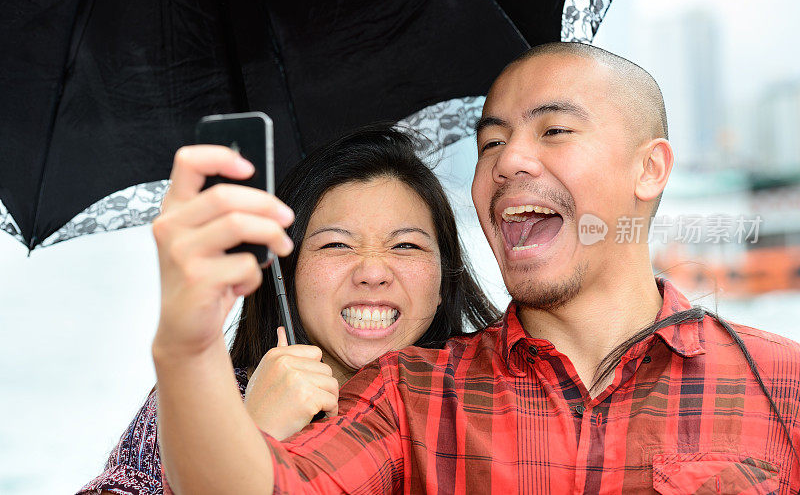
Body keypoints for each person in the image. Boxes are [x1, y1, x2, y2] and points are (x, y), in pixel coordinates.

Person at [154, 43, 800, 494]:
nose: (509, 160)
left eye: (553, 131)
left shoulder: (783, 385)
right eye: (491, 141)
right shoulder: (405, 394)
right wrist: (188, 346)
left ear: (650, 168)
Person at [78, 126, 498, 494]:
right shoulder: (199, 404)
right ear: (288, 272)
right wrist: (248, 437)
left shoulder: (490, 408)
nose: (373, 271)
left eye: (405, 245)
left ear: (444, 280)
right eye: (336, 244)